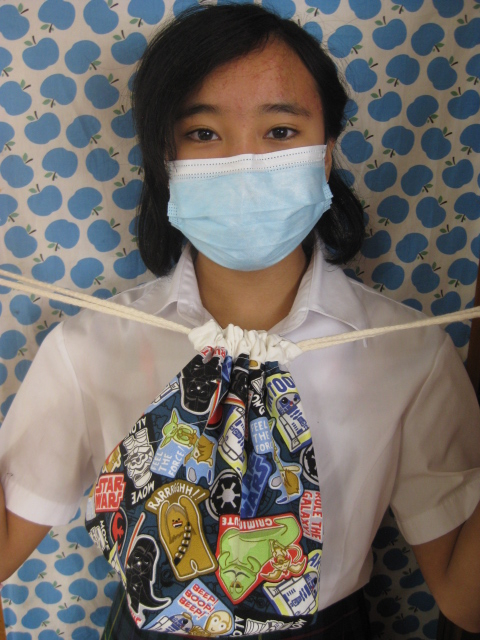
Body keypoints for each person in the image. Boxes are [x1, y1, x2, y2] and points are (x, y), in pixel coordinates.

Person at [1, 4, 480, 639]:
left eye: (280, 131)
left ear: (326, 153)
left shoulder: (410, 354)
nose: (244, 162)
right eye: (203, 133)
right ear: (164, 158)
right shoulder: (87, 347)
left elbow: (464, 600)